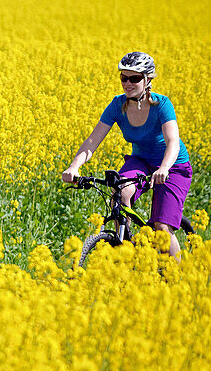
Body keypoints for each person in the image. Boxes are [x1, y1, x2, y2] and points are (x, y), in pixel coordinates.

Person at [61, 51, 191, 256]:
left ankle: (175, 278)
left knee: (162, 227)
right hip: (140, 161)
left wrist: (164, 168)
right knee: (120, 192)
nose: (127, 83)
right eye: (123, 77)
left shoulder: (162, 105)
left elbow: (173, 142)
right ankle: (125, 244)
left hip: (173, 165)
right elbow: (92, 141)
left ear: (148, 79)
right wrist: (74, 167)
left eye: (134, 78)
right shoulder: (117, 105)